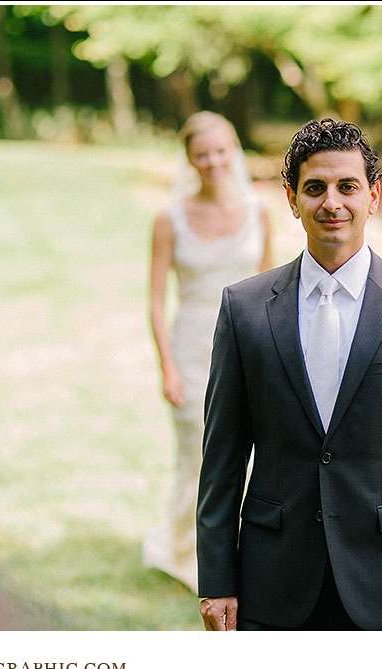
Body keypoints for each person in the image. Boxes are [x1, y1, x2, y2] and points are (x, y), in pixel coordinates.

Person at [196, 118, 382, 630]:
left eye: (347, 186)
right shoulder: (244, 308)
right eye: (315, 188)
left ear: (373, 195)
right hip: (273, 578)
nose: (332, 203)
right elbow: (222, 456)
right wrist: (217, 580)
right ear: (291, 197)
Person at [144, 112, 274, 593]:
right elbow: (156, 299)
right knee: (199, 454)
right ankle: (187, 552)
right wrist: (167, 368)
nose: (213, 161)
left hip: (247, 348)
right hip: (192, 348)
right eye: (202, 153)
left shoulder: (259, 211)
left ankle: (244, 550)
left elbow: (270, 290)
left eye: (221, 150)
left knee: (253, 453)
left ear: (234, 151)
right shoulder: (169, 218)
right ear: (189, 160)